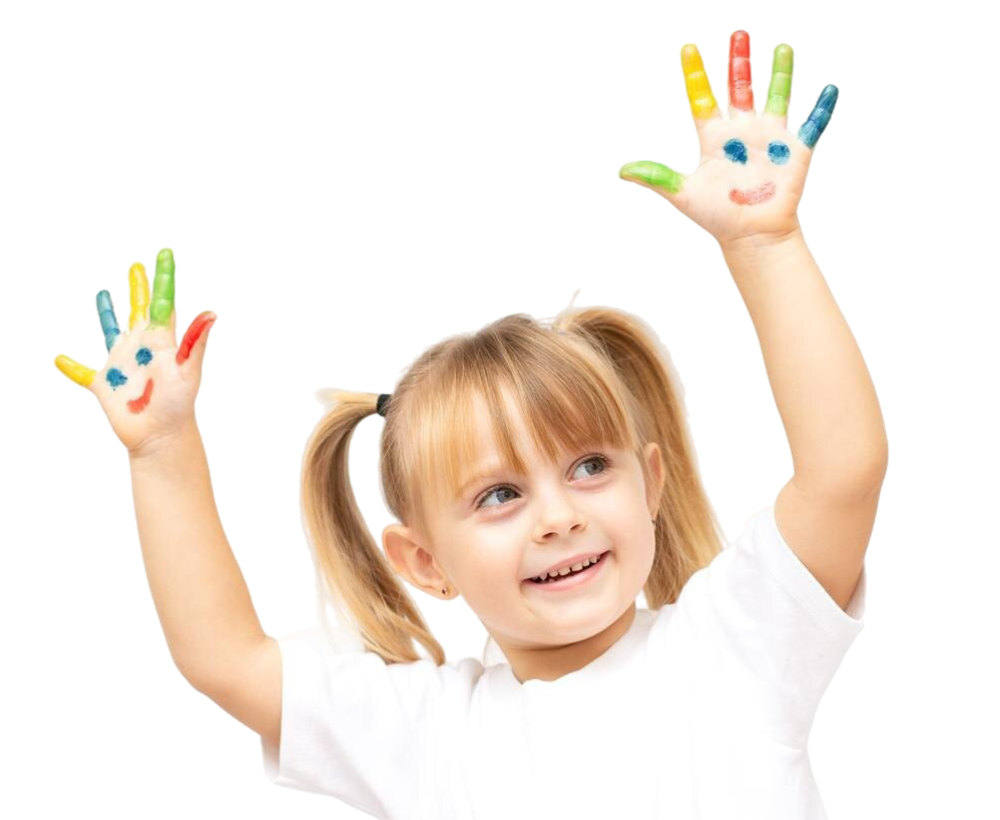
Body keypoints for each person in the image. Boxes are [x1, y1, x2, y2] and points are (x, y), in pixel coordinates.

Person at [52, 31, 884, 820]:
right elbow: (224, 660)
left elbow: (843, 469)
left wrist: (766, 246)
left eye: (590, 467)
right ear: (423, 562)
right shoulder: (420, 733)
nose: (560, 517)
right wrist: (162, 448)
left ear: (651, 483)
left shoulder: (736, 644)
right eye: (497, 495)